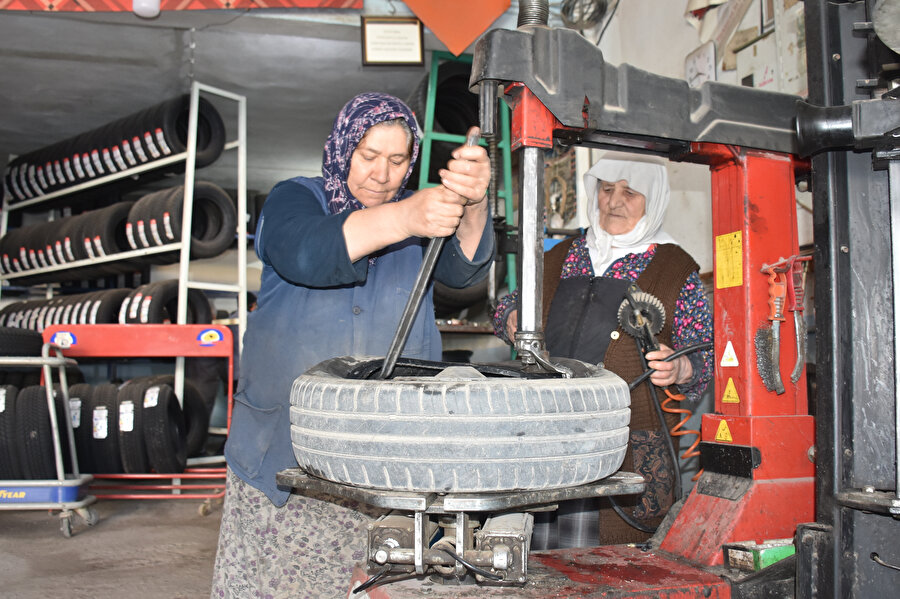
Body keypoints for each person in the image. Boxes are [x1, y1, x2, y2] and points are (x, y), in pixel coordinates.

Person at [211, 92, 493, 598]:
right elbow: (306, 253)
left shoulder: (421, 217)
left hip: (391, 457)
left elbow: (464, 268)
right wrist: (406, 218)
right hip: (285, 454)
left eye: (397, 160)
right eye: (368, 156)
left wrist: (472, 204)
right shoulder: (294, 199)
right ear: (342, 150)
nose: (382, 175)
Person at [492, 153, 713, 548]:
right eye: (607, 189)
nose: (614, 201)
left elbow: (704, 356)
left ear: (654, 198)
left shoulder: (675, 267)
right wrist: (511, 316)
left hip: (628, 443)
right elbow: (508, 305)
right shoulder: (561, 256)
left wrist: (680, 368)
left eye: (630, 192)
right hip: (546, 434)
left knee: (605, 559)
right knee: (538, 551)